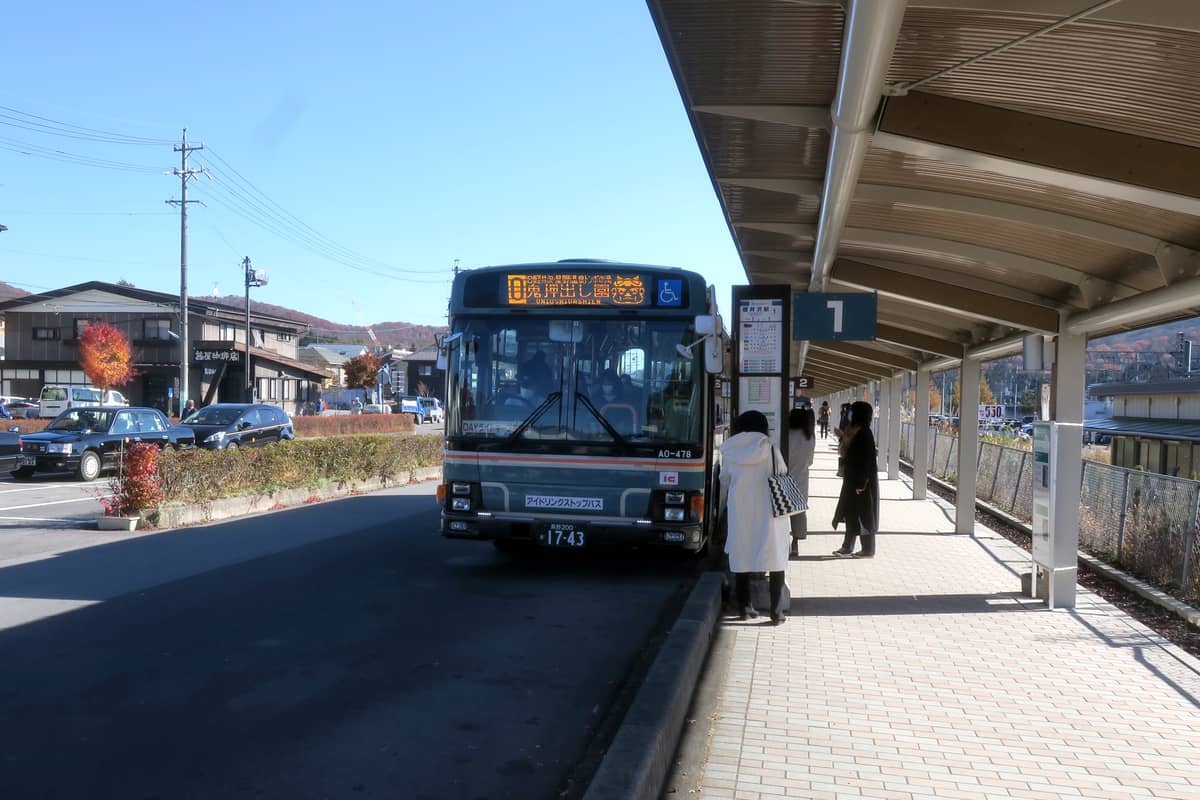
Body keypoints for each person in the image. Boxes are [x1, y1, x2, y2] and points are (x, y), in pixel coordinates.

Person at [720, 410, 791, 625]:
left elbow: (724, 481)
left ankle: (745, 607)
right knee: (775, 556)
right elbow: (782, 473)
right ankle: (776, 612)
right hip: (770, 511)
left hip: (740, 511)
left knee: (742, 555)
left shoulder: (730, 451)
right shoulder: (770, 449)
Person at [832, 400, 880, 558]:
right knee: (852, 512)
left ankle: (868, 549)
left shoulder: (865, 433)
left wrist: (862, 483)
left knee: (865, 514)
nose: (849, 414)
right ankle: (848, 546)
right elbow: (849, 450)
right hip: (853, 479)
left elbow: (865, 460)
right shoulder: (856, 430)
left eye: (852, 412)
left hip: (862, 481)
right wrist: (842, 437)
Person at [787, 406, 816, 557]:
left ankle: (783, 543)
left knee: (782, 512)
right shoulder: (809, 437)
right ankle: (795, 543)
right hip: (802, 478)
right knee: (798, 512)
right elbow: (810, 461)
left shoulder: (786, 435)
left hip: (784, 478)